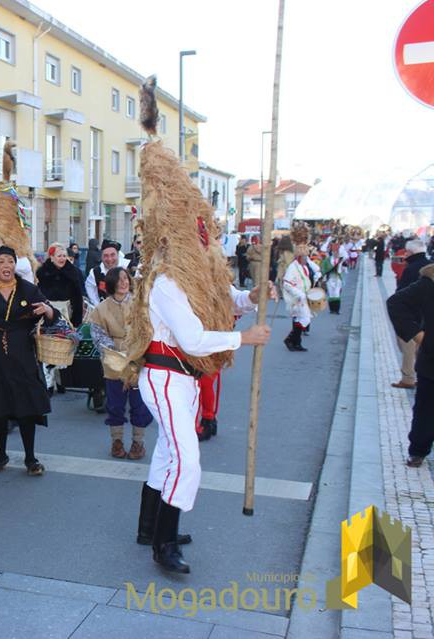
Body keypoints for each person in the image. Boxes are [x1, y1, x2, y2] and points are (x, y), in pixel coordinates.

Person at [122, 80, 272, 574]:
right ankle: (165, 544)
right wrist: (242, 338)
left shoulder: (196, 270)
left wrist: (250, 299)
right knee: (187, 458)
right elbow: (190, 337)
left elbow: (220, 297)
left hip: (184, 379)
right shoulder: (164, 278)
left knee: (169, 453)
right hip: (165, 374)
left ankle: (151, 528)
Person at [0, 246, 57, 476]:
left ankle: (31, 458)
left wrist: (47, 309)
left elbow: (53, 315)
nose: (6, 266)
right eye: (1, 261)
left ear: (15, 265)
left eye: (10, 261)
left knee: (25, 405)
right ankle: (0, 454)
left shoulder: (28, 289)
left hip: (23, 351)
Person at [87, 267, 153, 459]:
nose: (124, 282)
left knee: (138, 403)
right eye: (119, 279)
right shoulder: (101, 308)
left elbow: (148, 330)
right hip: (113, 360)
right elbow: (97, 334)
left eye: (126, 278)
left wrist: (136, 349)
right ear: (111, 283)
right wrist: (115, 352)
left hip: (137, 356)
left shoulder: (139, 305)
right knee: (115, 403)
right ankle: (116, 440)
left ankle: (138, 442)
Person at [387, 264, 434, 467]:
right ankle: (418, 451)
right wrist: (418, 334)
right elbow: (396, 303)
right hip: (432, 362)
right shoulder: (429, 282)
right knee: (425, 409)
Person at [391, 240, 431, 390]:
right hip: (426, 316)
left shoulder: (411, 269)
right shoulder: (430, 265)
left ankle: (408, 378)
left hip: (411, 316)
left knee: (407, 347)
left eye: (406, 252)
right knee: (421, 348)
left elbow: (401, 294)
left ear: (410, 252)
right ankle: (421, 375)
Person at [35, 243, 83, 327]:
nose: (62, 258)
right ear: (52, 257)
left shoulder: (72, 272)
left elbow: (77, 297)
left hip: (66, 313)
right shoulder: (42, 272)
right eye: (59, 256)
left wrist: (76, 321)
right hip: (47, 312)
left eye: (64, 256)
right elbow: (38, 294)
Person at [282, 239, 315, 352]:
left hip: (303, 297)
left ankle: (295, 342)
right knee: (305, 318)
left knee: (299, 319)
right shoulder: (293, 267)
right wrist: (299, 294)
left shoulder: (304, 266)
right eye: (304, 257)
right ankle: (291, 339)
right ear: (299, 257)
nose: (306, 259)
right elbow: (287, 284)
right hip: (297, 298)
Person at [85, 240, 127, 306]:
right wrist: (98, 306)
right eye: (106, 256)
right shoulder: (95, 272)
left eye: (112, 255)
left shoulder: (129, 267)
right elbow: (89, 287)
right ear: (101, 257)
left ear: (118, 254)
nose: (109, 259)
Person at [320, 243, 346, 315]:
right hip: (330, 279)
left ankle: (337, 310)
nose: (336, 253)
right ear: (332, 252)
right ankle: (332, 310)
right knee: (331, 294)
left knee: (337, 293)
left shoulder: (341, 260)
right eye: (335, 252)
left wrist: (343, 269)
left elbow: (345, 267)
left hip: (337, 279)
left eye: (337, 252)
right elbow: (323, 268)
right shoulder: (327, 260)